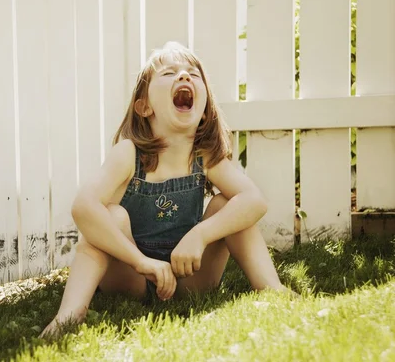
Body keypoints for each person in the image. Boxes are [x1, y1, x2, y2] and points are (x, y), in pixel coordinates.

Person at [40, 41, 291, 338]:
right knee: (111, 215)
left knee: (228, 205)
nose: (183, 77)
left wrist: (200, 235)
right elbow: (83, 207)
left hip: (188, 277)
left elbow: (255, 201)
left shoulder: (205, 156)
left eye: (192, 74)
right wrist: (141, 262)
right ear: (145, 106)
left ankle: (273, 289)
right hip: (130, 276)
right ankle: (70, 315)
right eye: (169, 73)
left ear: (205, 108)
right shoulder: (128, 154)